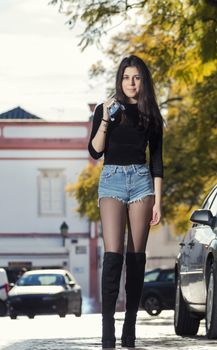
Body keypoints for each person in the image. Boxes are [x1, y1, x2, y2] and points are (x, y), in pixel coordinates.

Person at [88, 55, 164, 349]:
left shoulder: (150, 114)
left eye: (136, 78)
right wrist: (106, 119)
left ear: (143, 81)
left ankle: (129, 328)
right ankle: (108, 330)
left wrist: (158, 200)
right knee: (113, 256)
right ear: (119, 80)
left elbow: (157, 161)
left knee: (136, 258)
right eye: (126, 77)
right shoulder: (106, 109)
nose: (131, 83)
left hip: (142, 184)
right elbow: (95, 152)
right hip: (112, 181)